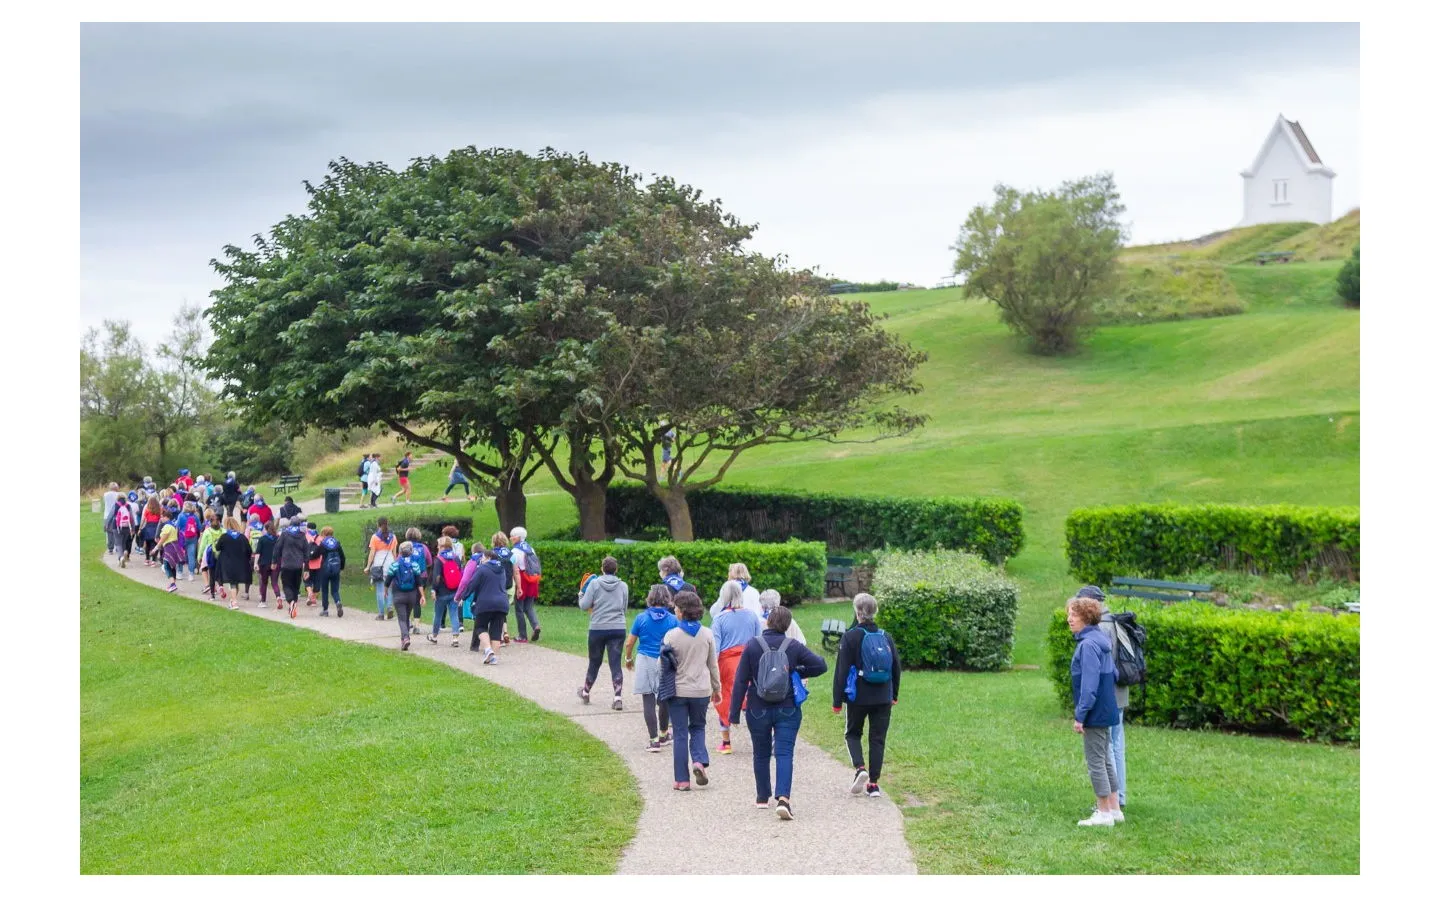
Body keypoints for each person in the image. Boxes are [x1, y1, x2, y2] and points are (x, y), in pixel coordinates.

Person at [730, 605, 828, 820]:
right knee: (784, 753)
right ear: (787, 626)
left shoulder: (753, 646)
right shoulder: (793, 646)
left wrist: (734, 713)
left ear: (767, 622)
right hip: (787, 708)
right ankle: (783, 798)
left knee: (761, 753)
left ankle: (762, 797)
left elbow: (740, 680)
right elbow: (821, 665)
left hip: (757, 707)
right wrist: (797, 669)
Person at [831, 593, 901, 799]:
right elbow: (896, 667)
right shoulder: (885, 636)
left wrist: (837, 701)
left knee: (852, 733)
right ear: (875, 611)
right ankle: (873, 784)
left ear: (857, 611)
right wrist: (893, 694)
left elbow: (841, 671)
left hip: (858, 696)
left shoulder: (850, 636)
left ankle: (860, 767)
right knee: (878, 739)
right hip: (883, 696)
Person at [1067, 594, 1123, 827]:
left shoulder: (1088, 645)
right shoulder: (1100, 639)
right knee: (1106, 759)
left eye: (1074, 615)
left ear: (1086, 618)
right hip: (1107, 707)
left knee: (1096, 761)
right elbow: (1114, 676)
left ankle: (1103, 813)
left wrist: (1081, 715)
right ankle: (1114, 809)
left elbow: (1089, 686)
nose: (1069, 619)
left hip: (1095, 710)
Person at [661, 591, 722, 792]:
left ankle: (682, 780)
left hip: (677, 690)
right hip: (701, 691)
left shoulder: (671, 635)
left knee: (679, 733)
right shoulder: (707, 634)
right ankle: (699, 761)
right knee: (698, 727)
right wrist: (717, 688)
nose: (674, 611)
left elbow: (662, 664)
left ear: (681, 612)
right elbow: (713, 665)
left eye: (676, 608)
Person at [1079, 584, 1131, 810]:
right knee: (1117, 746)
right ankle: (1119, 798)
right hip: (1120, 693)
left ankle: (1110, 802)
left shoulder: (1099, 628)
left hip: (1107, 696)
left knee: (1104, 750)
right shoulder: (1115, 622)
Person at [625, 585, 680, 751]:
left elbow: (629, 642)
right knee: (664, 699)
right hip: (664, 660)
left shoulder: (641, 618)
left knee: (648, 700)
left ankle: (653, 739)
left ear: (650, 598)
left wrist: (628, 658)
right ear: (667, 599)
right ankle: (664, 733)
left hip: (645, 659)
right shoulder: (672, 619)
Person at [711, 580, 762, 755]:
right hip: (749, 662)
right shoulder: (752, 616)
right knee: (751, 700)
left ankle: (726, 742)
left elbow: (715, 648)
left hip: (726, 664)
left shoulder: (719, 618)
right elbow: (759, 640)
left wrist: (712, 671)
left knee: (725, 698)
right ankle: (759, 739)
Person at [578, 556, 630, 710]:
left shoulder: (594, 584)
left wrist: (581, 594)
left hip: (598, 628)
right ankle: (617, 697)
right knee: (615, 663)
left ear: (602, 568)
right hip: (618, 627)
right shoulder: (623, 586)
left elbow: (584, 605)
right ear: (616, 569)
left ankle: (586, 692)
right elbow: (624, 609)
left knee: (595, 661)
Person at [458, 548, 509, 664]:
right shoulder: (502, 569)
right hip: (502, 603)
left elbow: (472, 584)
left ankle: (488, 649)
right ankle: (494, 657)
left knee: (480, 627)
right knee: (496, 631)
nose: (481, 560)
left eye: (483, 558)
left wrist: (463, 597)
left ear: (488, 558)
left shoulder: (482, 569)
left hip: (485, 603)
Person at [384, 541, 427, 651]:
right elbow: (419, 582)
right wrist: (422, 596)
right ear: (411, 552)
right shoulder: (415, 565)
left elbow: (388, 580)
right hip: (412, 595)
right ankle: (404, 639)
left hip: (398, 595)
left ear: (400, 553)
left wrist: (385, 591)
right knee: (406, 617)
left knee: (402, 619)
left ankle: (406, 638)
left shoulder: (395, 565)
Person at [427, 536, 464, 646]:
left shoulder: (439, 559)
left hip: (442, 592)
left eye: (439, 545)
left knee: (438, 615)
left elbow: (436, 577)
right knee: (454, 614)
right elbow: (460, 573)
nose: (437, 547)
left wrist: (434, 589)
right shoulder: (456, 557)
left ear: (443, 546)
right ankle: (455, 638)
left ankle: (434, 636)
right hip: (454, 591)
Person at [509, 526, 542, 642]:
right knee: (529, 606)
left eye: (513, 536)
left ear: (518, 537)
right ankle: (536, 625)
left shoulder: (514, 551)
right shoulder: (530, 549)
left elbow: (515, 569)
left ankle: (522, 635)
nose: (511, 538)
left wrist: (516, 585)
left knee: (519, 608)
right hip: (532, 579)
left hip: (522, 579)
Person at [275, 516, 312, 619]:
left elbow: (277, 548)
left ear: (290, 524)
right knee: (295, 586)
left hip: (286, 564)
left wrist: (274, 561)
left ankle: (291, 601)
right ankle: (293, 604)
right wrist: (307, 569)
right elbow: (306, 552)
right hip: (298, 565)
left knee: (286, 585)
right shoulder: (302, 536)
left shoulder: (285, 534)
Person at [215, 516, 254, 610]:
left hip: (228, 562)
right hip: (240, 563)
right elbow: (249, 550)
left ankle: (234, 602)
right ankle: (232, 600)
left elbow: (217, 548)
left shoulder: (224, 537)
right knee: (235, 582)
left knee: (232, 582)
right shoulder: (242, 537)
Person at [365, 518, 398, 620]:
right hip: (390, 562)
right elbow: (394, 553)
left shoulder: (375, 537)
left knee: (380, 589)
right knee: (390, 588)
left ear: (378, 525)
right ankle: (389, 607)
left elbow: (372, 553)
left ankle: (381, 613)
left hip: (379, 563)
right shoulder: (393, 537)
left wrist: (368, 566)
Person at [312, 525, 346, 617]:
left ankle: (325, 610)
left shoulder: (323, 544)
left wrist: (310, 554)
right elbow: (342, 557)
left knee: (325, 590)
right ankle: (338, 602)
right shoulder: (337, 543)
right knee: (335, 590)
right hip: (336, 569)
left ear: (324, 534)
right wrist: (341, 567)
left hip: (325, 569)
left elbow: (315, 554)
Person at [156, 513, 186, 593]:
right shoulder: (173, 525)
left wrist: (156, 548)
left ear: (167, 517)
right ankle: (173, 583)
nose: (161, 518)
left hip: (169, 546)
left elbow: (163, 538)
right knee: (172, 566)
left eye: (162, 517)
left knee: (166, 565)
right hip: (175, 546)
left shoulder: (167, 526)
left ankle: (173, 584)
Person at [255, 520, 281, 609]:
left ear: (265, 529)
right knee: (274, 582)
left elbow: (258, 553)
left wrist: (256, 563)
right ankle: (278, 597)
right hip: (275, 563)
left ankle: (263, 601)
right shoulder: (278, 538)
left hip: (264, 563)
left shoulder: (262, 539)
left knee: (264, 582)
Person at [198, 512, 223, 599]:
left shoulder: (207, 531)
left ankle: (212, 595)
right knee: (219, 573)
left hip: (211, 554)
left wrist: (199, 556)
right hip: (221, 554)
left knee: (211, 575)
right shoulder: (223, 531)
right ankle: (220, 586)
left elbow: (202, 545)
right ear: (220, 521)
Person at [177, 501, 202, 579]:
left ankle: (180, 572)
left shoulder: (180, 516)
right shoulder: (195, 516)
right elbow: (200, 528)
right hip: (192, 537)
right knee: (191, 556)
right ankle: (191, 574)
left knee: (180, 555)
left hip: (182, 537)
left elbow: (177, 527)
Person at [111, 491, 136, 568]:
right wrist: (133, 528)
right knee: (124, 542)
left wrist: (106, 525)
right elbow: (131, 518)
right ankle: (125, 551)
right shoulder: (128, 505)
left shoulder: (116, 505)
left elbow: (110, 516)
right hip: (127, 527)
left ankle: (121, 558)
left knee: (118, 543)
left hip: (117, 526)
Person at [304, 520, 324, 607]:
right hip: (319, 564)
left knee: (307, 580)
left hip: (307, 563)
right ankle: (313, 599)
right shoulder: (320, 538)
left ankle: (309, 593)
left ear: (307, 528)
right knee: (317, 581)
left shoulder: (305, 537)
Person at [140, 495, 163, 565]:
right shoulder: (160, 509)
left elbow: (143, 520)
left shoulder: (147, 510)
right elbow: (161, 519)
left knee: (147, 544)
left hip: (148, 526)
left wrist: (140, 528)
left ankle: (147, 559)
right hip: (156, 526)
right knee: (155, 544)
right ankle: (153, 560)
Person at [102, 482, 122, 555]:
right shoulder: (119, 494)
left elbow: (105, 502)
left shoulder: (105, 494)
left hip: (107, 515)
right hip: (117, 515)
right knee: (117, 532)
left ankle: (110, 548)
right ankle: (117, 546)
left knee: (109, 532)